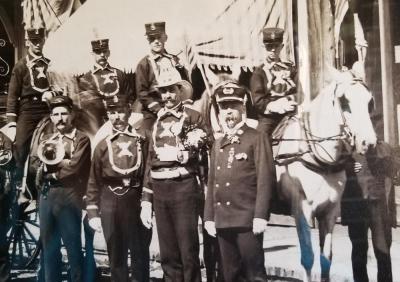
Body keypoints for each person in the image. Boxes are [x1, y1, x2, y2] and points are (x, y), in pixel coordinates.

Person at [140, 66, 208, 282]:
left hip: (183, 187)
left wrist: (187, 153)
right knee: (168, 254)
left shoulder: (193, 117)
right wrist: (146, 200)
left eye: (171, 90)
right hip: (160, 190)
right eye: (163, 91)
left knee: (188, 250)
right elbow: (150, 160)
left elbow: (204, 154)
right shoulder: (157, 121)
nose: (167, 96)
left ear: (180, 90)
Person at [204, 81, 274, 282]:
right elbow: (212, 183)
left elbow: (264, 179)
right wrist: (209, 217)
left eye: (233, 106)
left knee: (254, 275)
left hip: (247, 220)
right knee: (229, 275)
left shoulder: (256, 137)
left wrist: (260, 215)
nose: (228, 112)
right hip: (223, 220)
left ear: (243, 108)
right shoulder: (218, 144)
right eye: (224, 107)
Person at [86, 95, 151, 282]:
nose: (117, 117)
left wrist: (147, 202)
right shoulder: (102, 145)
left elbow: (148, 170)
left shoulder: (143, 139)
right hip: (110, 199)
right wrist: (92, 211)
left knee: (139, 251)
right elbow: (93, 180)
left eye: (121, 112)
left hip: (135, 197)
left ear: (129, 112)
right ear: (108, 115)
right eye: (112, 113)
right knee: (116, 254)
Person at [35, 95, 91, 282]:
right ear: (51, 117)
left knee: (73, 246)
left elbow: (73, 168)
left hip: (69, 195)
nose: (60, 118)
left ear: (72, 115)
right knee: (49, 246)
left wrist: (51, 171)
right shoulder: (47, 139)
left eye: (64, 113)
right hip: (47, 195)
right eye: (56, 114)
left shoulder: (81, 139)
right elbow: (36, 163)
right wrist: (59, 163)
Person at [6, 27, 60, 183]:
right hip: (28, 111)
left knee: (57, 142)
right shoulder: (21, 65)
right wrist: (11, 124)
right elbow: (12, 96)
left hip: (47, 110)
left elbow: (59, 88)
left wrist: (53, 94)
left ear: (43, 41)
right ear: (28, 42)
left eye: (40, 41)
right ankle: (17, 186)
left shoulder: (50, 64)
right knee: (21, 146)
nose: (37, 44)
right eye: (34, 41)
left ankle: (50, 181)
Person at [341, 141, 399, 282]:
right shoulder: (348, 150)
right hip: (357, 206)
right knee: (359, 249)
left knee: (382, 248)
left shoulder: (383, 148)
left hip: (378, 205)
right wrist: (348, 167)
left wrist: (375, 163)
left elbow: (394, 167)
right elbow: (334, 167)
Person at [135, 21, 188, 130]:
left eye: (159, 37)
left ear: (165, 38)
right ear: (148, 41)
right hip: (154, 109)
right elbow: (142, 93)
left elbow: (184, 83)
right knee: (145, 135)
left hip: (177, 104)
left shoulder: (174, 59)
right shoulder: (144, 64)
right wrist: (158, 109)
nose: (156, 42)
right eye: (152, 39)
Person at [76, 38, 133, 135]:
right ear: (92, 54)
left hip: (121, 120)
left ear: (109, 53)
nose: (102, 55)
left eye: (104, 51)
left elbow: (130, 97)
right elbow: (88, 108)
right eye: (98, 52)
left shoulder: (120, 74)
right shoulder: (86, 78)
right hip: (99, 124)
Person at [250, 27, 297, 136]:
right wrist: (275, 106)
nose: (273, 50)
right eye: (269, 47)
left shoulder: (291, 68)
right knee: (260, 139)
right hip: (269, 118)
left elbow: (301, 92)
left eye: (276, 46)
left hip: (291, 113)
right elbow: (258, 101)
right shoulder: (259, 72)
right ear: (263, 47)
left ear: (282, 46)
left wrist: (288, 100)